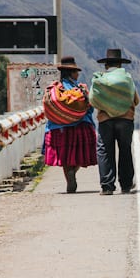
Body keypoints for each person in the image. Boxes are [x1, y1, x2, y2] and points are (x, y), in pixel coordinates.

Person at [43, 56, 97, 193]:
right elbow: (90, 107)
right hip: (80, 125)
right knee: (80, 153)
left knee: (64, 155)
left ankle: (69, 178)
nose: (77, 74)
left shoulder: (55, 88)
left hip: (58, 128)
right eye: (75, 72)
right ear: (71, 73)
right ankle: (74, 170)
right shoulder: (80, 88)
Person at [94, 49, 140, 195]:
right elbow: (136, 100)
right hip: (125, 120)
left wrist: (107, 106)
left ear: (106, 65)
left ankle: (107, 186)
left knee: (105, 150)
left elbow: (93, 100)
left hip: (105, 120)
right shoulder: (127, 79)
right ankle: (126, 185)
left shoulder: (100, 80)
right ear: (120, 64)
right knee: (125, 150)